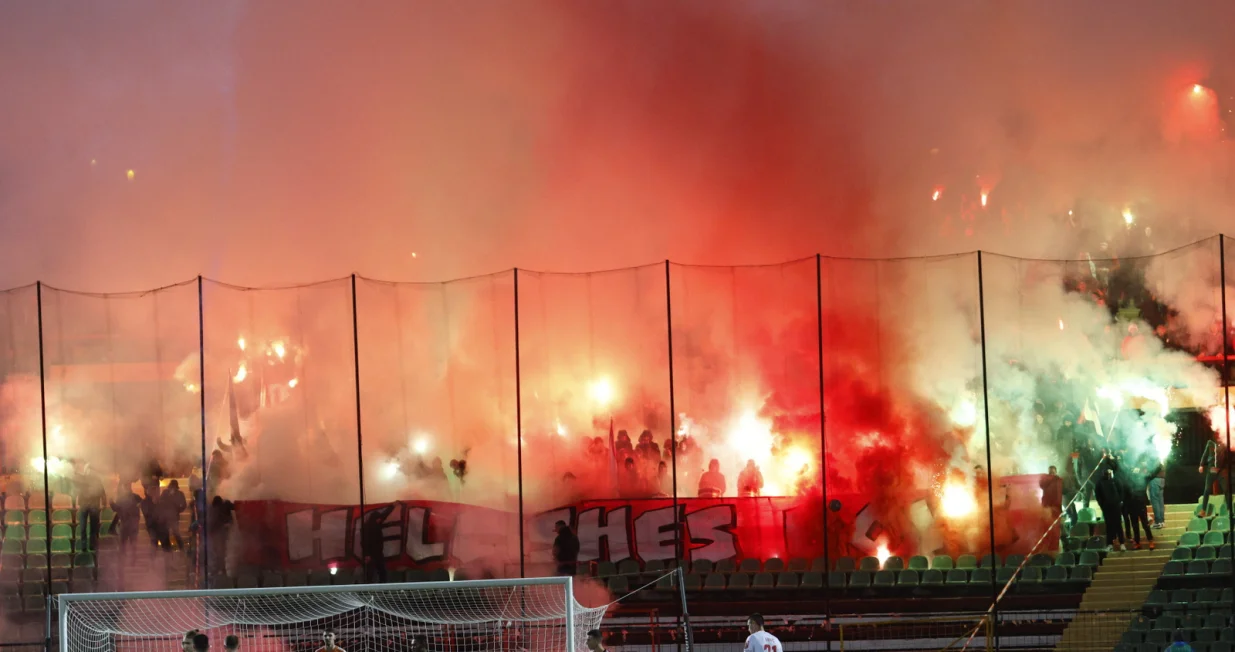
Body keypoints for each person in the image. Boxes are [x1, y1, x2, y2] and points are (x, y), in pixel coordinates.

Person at [75, 462, 107, 553]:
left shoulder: (96, 480)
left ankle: (89, 546)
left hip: (92, 507)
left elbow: (102, 493)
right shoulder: (87, 479)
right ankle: (86, 546)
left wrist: (104, 503)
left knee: (89, 528)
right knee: (86, 528)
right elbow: (79, 491)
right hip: (87, 506)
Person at [1094, 467, 1127, 552]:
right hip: (1106, 507)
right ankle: (1110, 544)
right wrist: (1102, 505)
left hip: (1116, 506)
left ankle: (1122, 543)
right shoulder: (1099, 482)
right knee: (1109, 526)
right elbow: (1098, 495)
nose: (1109, 473)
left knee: (1118, 524)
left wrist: (1120, 501)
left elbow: (1121, 491)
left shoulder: (1116, 480)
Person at [362, 505, 395, 584]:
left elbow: (384, 516)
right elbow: (365, 542)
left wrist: (392, 506)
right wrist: (367, 555)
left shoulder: (375, 525)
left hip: (377, 554)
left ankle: (380, 588)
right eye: (378, 519)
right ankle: (368, 590)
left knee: (381, 572)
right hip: (372, 555)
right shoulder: (368, 528)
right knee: (372, 574)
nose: (380, 520)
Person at [111, 482, 143, 556]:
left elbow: (143, 503)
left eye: (127, 487)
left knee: (132, 544)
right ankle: (124, 561)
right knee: (123, 544)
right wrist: (111, 503)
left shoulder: (135, 497)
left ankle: (132, 560)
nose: (127, 488)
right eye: (125, 487)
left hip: (132, 524)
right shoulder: (121, 498)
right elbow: (116, 509)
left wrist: (140, 504)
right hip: (124, 523)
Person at [157, 479, 188, 552]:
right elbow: (160, 502)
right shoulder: (165, 492)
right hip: (165, 517)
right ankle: (168, 550)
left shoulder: (180, 494)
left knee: (176, 533)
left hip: (174, 517)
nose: (172, 488)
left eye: (174, 487)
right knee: (166, 534)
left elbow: (184, 505)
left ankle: (182, 549)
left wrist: (178, 510)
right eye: (171, 487)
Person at [1147, 462, 1166, 529]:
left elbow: (1151, 470)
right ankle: (1162, 522)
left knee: (1155, 502)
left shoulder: (1152, 459)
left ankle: (1158, 522)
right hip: (1161, 480)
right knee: (1160, 502)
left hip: (1155, 480)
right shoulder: (1159, 460)